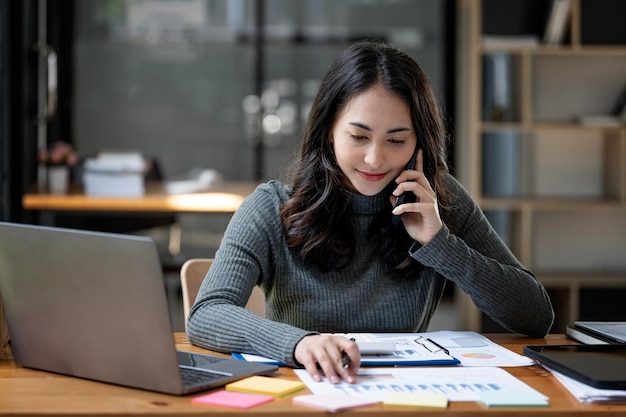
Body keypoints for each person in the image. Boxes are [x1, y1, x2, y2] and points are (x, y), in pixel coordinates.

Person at [187, 40, 554, 384]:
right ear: (329, 131)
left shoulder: (438, 201)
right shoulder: (270, 207)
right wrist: (300, 344)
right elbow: (206, 314)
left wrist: (439, 242)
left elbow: (536, 317)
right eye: (359, 137)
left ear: (419, 142)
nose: (376, 159)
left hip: (405, 393)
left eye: (397, 140)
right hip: (304, 393)